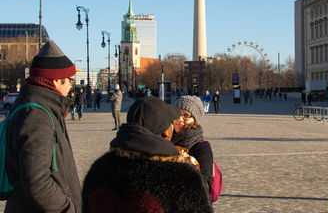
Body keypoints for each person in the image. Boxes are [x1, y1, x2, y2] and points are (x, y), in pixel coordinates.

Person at [82, 96, 213, 213]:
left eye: (186, 115)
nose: (178, 120)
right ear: (165, 132)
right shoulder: (181, 176)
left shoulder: (100, 167)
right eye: (171, 121)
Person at [5, 40, 82, 212]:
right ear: (56, 81)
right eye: (70, 80)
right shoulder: (37, 116)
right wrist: (67, 208)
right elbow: (37, 182)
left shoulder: (37, 105)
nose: (72, 86)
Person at [173, 95, 214, 192]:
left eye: (186, 115)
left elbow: (201, 184)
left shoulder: (202, 148)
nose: (180, 119)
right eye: (177, 114)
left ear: (194, 120)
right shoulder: (166, 139)